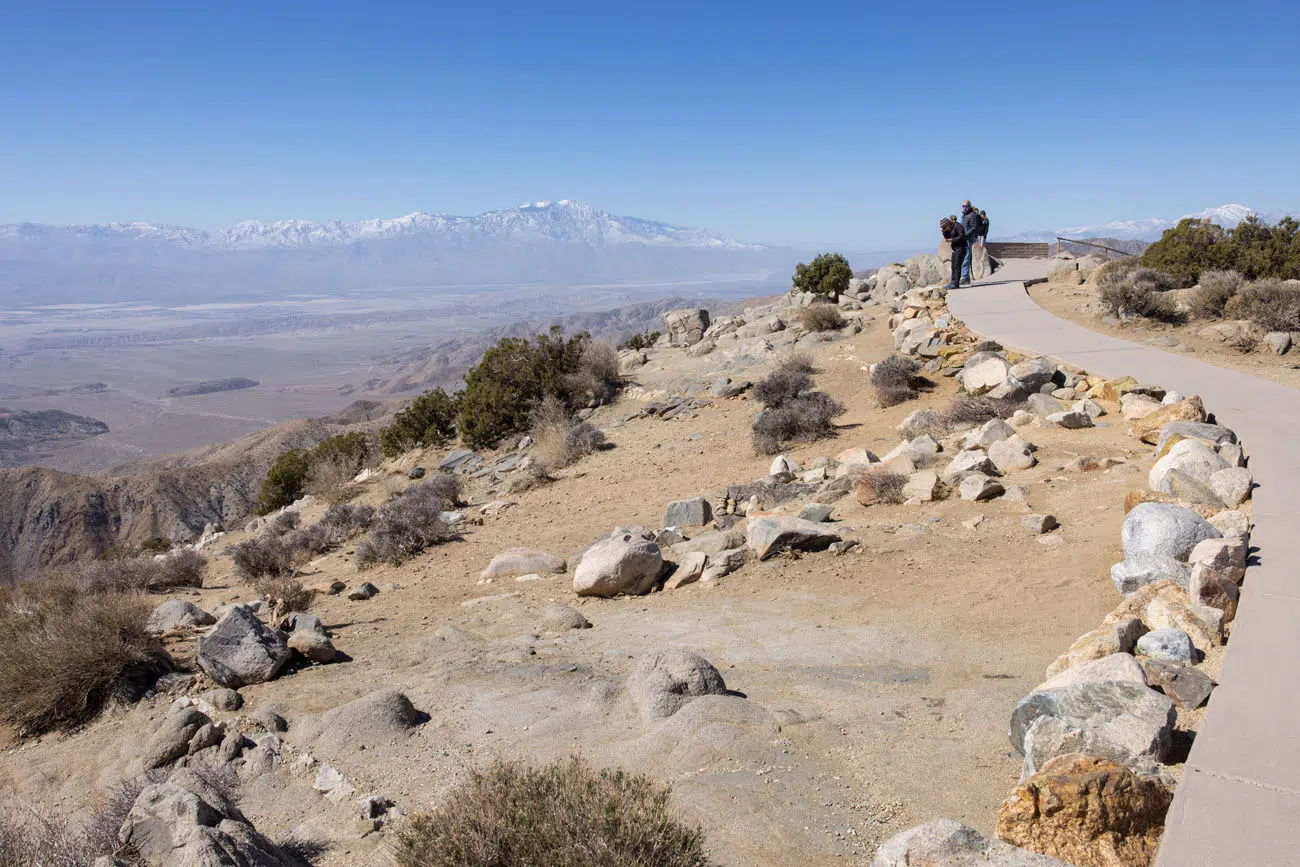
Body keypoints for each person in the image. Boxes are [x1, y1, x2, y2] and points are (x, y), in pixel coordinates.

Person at [940, 215, 966, 290]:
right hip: (954, 249)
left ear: (948, 224)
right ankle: (952, 282)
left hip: (961, 248)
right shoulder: (949, 229)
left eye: (945, 227)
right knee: (953, 266)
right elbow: (947, 237)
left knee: (957, 265)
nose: (945, 229)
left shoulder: (958, 226)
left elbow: (962, 236)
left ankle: (956, 284)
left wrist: (952, 240)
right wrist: (944, 232)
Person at [960, 201, 981, 285]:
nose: (964, 208)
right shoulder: (963, 216)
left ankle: (965, 276)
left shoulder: (972, 215)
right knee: (962, 257)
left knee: (966, 257)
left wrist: (965, 235)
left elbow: (973, 227)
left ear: (969, 206)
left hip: (968, 239)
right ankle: (964, 276)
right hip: (962, 239)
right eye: (963, 206)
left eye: (965, 206)